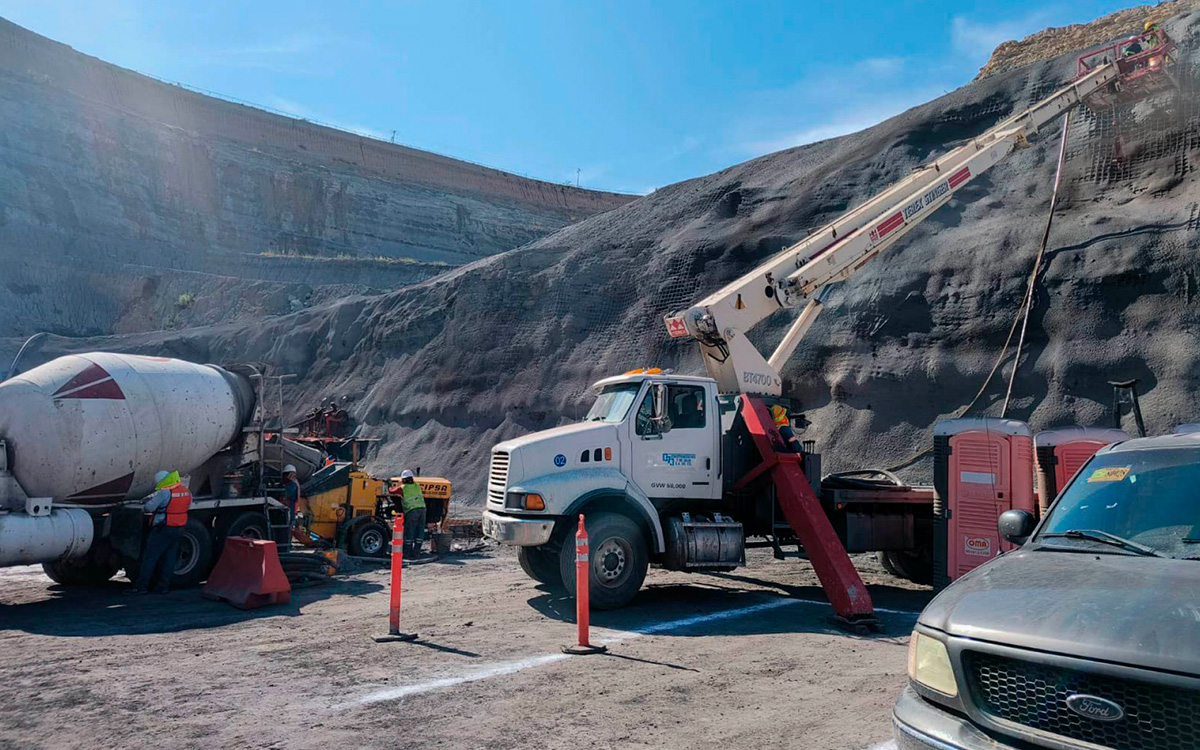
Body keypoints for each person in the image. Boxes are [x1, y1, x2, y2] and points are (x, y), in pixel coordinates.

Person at [133, 470, 192, 594]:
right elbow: (188, 506)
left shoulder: (165, 493)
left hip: (163, 528)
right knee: (169, 558)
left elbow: (148, 508)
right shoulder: (186, 491)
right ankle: (163, 586)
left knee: (150, 557)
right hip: (179, 528)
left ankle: (142, 587)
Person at [397, 470, 426, 558]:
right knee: (420, 531)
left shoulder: (403, 488)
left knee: (409, 532)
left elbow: (391, 490)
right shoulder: (417, 486)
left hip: (412, 511)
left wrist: (393, 485)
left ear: (404, 480)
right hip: (422, 510)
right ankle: (416, 553)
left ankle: (406, 554)